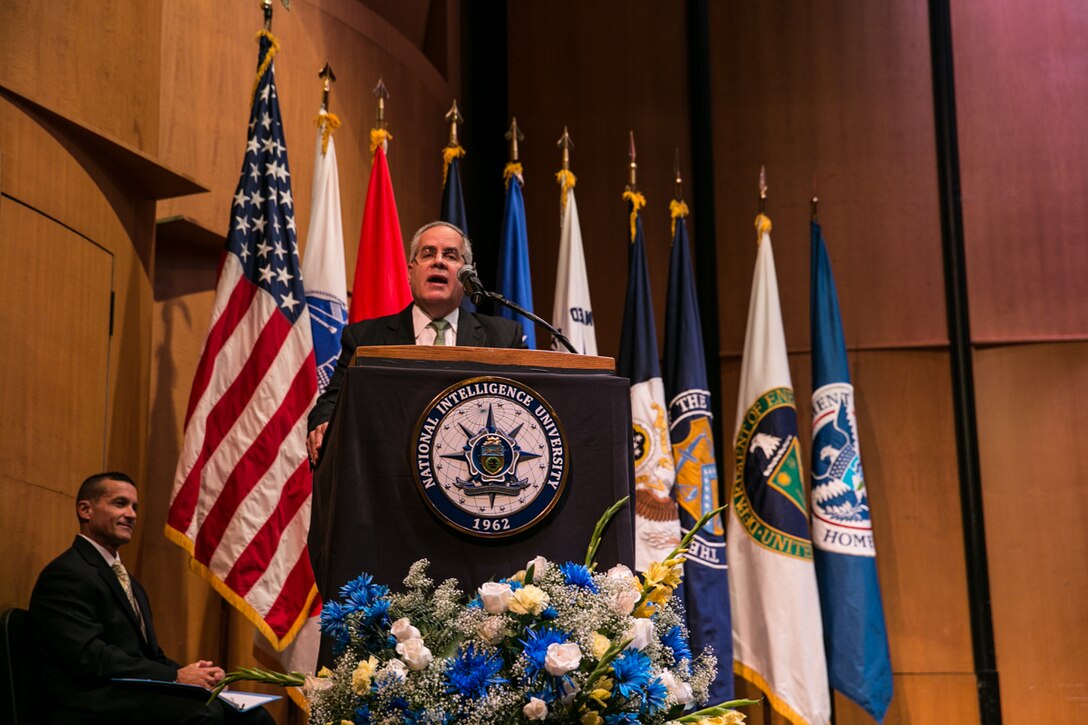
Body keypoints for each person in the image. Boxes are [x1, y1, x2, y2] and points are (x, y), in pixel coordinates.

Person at [29, 472, 275, 725]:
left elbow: (149, 657)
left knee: (253, 715)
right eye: (120, 503)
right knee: (205, 713)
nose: (132, 514)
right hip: (87, 701)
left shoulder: (128, 581)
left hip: (129, 694)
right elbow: (90, 657)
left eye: (135, 507)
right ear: (85, 510)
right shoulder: (66, 574)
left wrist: (196, 675)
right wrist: (176, 676)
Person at [306, 221, 527, 462]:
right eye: (428, 253)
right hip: (390, 471)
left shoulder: (503, 338)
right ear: (411, 272)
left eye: (451, 255)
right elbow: (331, 402)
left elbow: (524, 409)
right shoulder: (365, 339)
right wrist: (324, 423)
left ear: (467, 275)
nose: (439, 261)